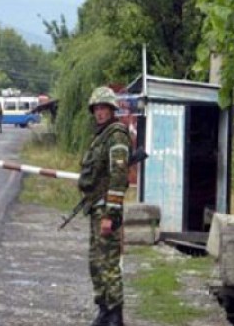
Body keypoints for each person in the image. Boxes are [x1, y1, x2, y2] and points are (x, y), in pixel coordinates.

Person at [78, 86, 130, 326]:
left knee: (108, 264)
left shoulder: (116, 136)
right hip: (96, 207)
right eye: (96, 108)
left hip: (107, 210)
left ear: (112, 110)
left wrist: (110, 214)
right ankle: (104, 309)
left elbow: (119, 178)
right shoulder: (101, 136)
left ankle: (115, 314)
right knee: (96, 263)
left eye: (104, 108)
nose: (99, 113)